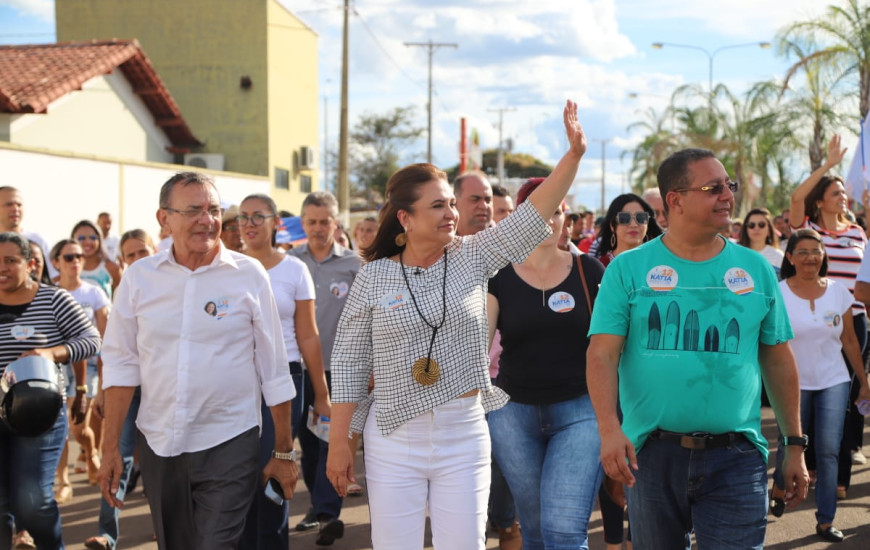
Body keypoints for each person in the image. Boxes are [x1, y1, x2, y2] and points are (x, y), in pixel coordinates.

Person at [326, 100, 587, 550]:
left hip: (463, 433)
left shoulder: (474, 255)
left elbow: (534, 215)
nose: (450, 213)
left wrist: (574, 156)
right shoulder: (374, 276)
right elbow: (349, 363)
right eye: (437, 206)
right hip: (392, 437)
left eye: (451, 203)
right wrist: (339, 443)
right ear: (405, 218)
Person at [587, 148, 808, 548]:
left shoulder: (757, 269)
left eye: (729, 186)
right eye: (713, 188)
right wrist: (608, 430)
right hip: (651, 455)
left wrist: (794, 444)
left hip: (737, 457)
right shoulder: (627, 269)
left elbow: (778, 360)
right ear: (675, 200)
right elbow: (601, 354)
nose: (727, 196)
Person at [98, 172, 298, 549]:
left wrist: (284, 451)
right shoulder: (139, 278)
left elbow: (274, 368)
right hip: (159, 443)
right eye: (194, 211)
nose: (207, 220)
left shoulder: (248, 275)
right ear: (164, 218)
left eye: (214, 210)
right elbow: (121, 367)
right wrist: (110, 450)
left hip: (230, 439)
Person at [486, 177, 604, 549]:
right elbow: (477, 349)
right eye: (539, 211)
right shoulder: (497, 275)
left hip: (581, 411)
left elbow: (611, 348)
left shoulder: (589, 271)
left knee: (564, 531)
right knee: (535, 531)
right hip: (512, 416)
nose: (548, 220)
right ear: (521, 217)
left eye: (556, 212)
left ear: (566, 218)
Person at [237, 193, 331, 550]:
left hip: (285, 379)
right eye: (243, 217)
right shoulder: (227, 267)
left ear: (276, 222)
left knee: (275, 467)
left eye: (258, 216)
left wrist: (321, 394)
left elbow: (307, 335)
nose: (249, 224)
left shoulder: (294, 270)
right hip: (235, 380)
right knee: (240, 474)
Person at [0, 231, 101, 550]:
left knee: (33, 499)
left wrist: (50, 353)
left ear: (31, 264)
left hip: (40, 415)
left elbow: (91, 340)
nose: (1, 267)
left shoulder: (54, 299)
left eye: (10, 260)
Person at [769, 229, 870, 542]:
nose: (810, 257)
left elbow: (850, 340)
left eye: (816, 251)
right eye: (802, 251)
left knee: (828, 451)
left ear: (823, 256)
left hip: (833, 380)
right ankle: (779, 486)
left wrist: (863, 381)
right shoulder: (779, 292)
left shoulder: (839, 292)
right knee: (789, 444)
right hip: (792, 383)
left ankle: (826, 520)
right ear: (790, 257)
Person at [790, 134, 868, 496]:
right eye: (835, 192)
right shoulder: (810, 231)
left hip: (855, 321)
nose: (843, 197)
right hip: (813, 321)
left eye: (844, 193)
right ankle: (811, 465)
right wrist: (829, 165)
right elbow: (796, 198)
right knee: (811, 392)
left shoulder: (858, 232)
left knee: (847, 392)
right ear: (820, 200)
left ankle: (839, 470)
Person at [287, 190, 359, 545]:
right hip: (300, 370)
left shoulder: (354, 265)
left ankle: (328, 512)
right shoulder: (289, 263)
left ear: (336, 223)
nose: (317, 228)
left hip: (341, 370)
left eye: (324, 221)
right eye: (311, 222)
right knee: (310, 444)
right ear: (303, 223)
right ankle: (319, 507)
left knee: (333, 440)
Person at [84, 230, 155, 550]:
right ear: (123, 261)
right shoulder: (122, 290)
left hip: (164, 390)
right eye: (131, 255)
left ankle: (166, 525)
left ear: (155, 251)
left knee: (162, 461)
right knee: (116, 457)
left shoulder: (177, 285)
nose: (137, 259)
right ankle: (107, 534)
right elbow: (111, 349)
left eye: (143, 252)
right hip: (128, 389)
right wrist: (102, 391)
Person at [49, 239, 110, 500]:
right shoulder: (48, 293)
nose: (75, 261)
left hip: (89, 365)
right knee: (58, 425)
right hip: (56, 366)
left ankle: (91, 451)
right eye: (69, 257)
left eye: (78, 257)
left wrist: (106, 377)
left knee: (77, 428)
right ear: (56, 262)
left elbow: (105, 338)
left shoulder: (94, 293)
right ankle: (63, 481)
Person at [0, 186, 55, 278]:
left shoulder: (38, 241)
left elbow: (54, 276)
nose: (15, 209)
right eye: (9, 204)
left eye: (19, 205)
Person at [594, 193, 663, 267]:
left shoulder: (660, 263)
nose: (633, 225)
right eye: (624, 218)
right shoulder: (600, 266)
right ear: (612, 226)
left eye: (641, 217)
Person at [71, 220, 122, 298]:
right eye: (81, 238)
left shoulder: (112, 269)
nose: (88, 242)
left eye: (93, 238)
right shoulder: (66, 269)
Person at [738, 208, 784, 278]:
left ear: (769, 229)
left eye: (761, 224)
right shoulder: (735, 254)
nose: (756, 228)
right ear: (745, 229)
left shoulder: (778, 256)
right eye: (751, 225)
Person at [454, 170, 493, 236]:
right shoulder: (441, 240)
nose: (484, 206)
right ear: (455, 202)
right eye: (475, 199)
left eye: (488, 200)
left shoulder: (504, 239)